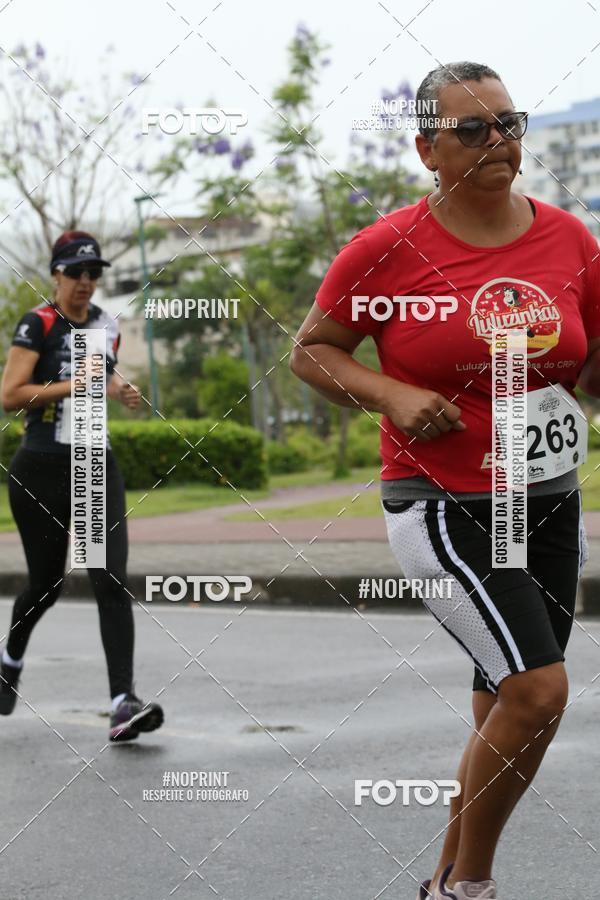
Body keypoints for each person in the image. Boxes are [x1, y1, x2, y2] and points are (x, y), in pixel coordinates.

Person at [290, 61, 600, 900]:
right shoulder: (387, 248)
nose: (498, 140)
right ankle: (471, 888)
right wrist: (391, 391)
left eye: (509, 122)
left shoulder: (571, 239)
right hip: (442, 506)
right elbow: (313, 350)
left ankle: (442, 885)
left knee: (504, 710)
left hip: (548, 502)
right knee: (537, 693)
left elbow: (591, 366)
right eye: (473, 128)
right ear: (429, 148)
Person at [0, 230, 164, 743]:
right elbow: (10, 395)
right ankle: (9, 658)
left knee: (109, 579)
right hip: (41, 467)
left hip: (94, 466)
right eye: (77, 273)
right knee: (45, 586)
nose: (86, 283)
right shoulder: (39, 323)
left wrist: (121, 389)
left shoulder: (105, 325)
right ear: (57, 275)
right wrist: (79, 383)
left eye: (94, 274)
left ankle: (122, 703)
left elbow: (107, 374)